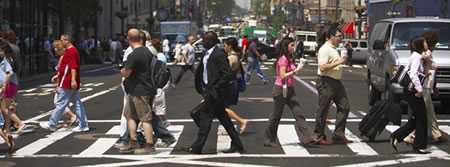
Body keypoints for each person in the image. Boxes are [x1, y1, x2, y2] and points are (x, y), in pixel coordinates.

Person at [188, 31, 245, 154]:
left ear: (211, 41)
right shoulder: (207, 53)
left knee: (202, 116)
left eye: (205, 40)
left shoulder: (218, 54)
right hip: (209, 90)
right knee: (224, 119)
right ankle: (238, 144)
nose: (202, 42)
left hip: (215, 92)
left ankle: (197, 147)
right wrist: (202, 86)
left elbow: (227, 74)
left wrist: (216, 87)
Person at [264, 37, 318, 147]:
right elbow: (283, 75)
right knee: (276, 116)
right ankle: (269, 139)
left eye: (294, 45)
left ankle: (308, 137)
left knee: (299, 113)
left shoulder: (289, 58)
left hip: (290, 89)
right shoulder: (283, 59)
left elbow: (293, 71)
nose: (294, 47)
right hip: (280, 89)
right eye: (292, 45)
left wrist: (300, 66)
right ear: (286, 47)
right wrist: (296, 70)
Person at [40, 34, 89, 132]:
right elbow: (67, 67)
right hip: (68, 80)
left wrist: (73, 80)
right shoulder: (72, 51)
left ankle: (52, 123)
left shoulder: (70, 51)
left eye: (62, 40)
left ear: (67, 40)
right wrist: (58, 76)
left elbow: (73, 67)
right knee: (77, 103)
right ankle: (83, 124)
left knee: (61, 103)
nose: (61, 42)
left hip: (67, 82)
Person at [391, 37, 431, 154]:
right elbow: (413, 74)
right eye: (424, 42)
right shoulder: (417, 57)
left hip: (410, 91)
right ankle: (418, 145)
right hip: (413, 91)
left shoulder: (415, 55)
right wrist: (419, 89)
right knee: (422, 118)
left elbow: (414, 71)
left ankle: (397, 136)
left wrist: (424, 73)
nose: (426, 44)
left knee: (416, 118)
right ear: (419, 45)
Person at [119, 28, 156, 154]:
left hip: (140, 90)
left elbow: (127, 73)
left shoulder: (134, 54)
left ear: (129, 39)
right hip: (137, 89)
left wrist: (122, 71)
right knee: (130, 116)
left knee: (145, 118)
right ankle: (133, 142)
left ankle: (149, 144)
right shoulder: (147, 51)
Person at [314, 27, 352, 145]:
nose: (341, 38)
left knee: (344, 106)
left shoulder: (335, 48)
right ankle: (318, 135)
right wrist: (339, 62)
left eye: (341, 36)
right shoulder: (325, 49)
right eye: (338, 36)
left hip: (336, 81)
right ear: (331, 37)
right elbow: (322, 67)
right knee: (323, 109)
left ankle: (338, 135)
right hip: (326, 81)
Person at [223, 37, 248, 134]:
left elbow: (226, 72)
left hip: (229, 85)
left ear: (229, 46)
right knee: (222, 108)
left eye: (225, 45)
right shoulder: (236, 56)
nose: (224, 47)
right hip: (233, 84)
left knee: (221, 108)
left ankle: (241, 121)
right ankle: (230, 127)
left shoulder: (231, 58)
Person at [52, 40, 78, 127]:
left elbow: (64, 72)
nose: (55, 51)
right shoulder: (64, 56)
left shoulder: (63, 57)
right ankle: (76, 118)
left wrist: (58, 85)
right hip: (66, 83)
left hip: (65, 83)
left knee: (59, 102)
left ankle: (52, 123)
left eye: (56, 49)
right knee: (75, 102)